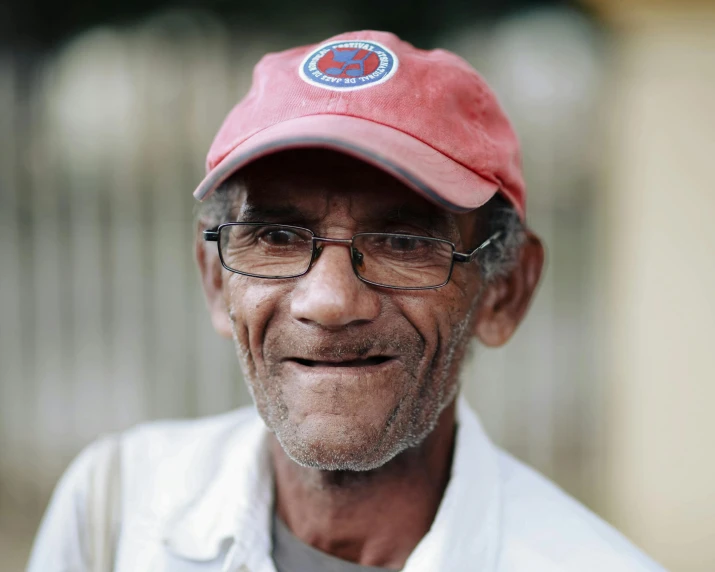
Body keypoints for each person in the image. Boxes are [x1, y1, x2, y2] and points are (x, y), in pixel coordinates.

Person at [27, 30, 665, 572]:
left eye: (403, 240)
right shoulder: (113, 512)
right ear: (217, 282)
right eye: (276, 236)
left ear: (504, 293)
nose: (330, 301)